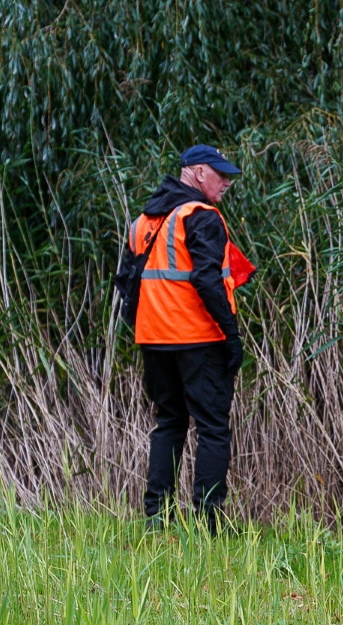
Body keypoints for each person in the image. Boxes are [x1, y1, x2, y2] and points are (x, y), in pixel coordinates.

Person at [120, 145, 249, 535]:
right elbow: (207, 280)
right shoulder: (201, 216)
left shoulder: (144, 220)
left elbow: (125, 284)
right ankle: (210, 524)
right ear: (194, 172)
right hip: (197, 338)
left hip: (154, 340)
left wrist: (143, 329)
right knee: (212, 427)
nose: (226, 182)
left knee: (169, 423)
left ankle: (157, 519)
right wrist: (231, 336)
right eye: (219, 173)